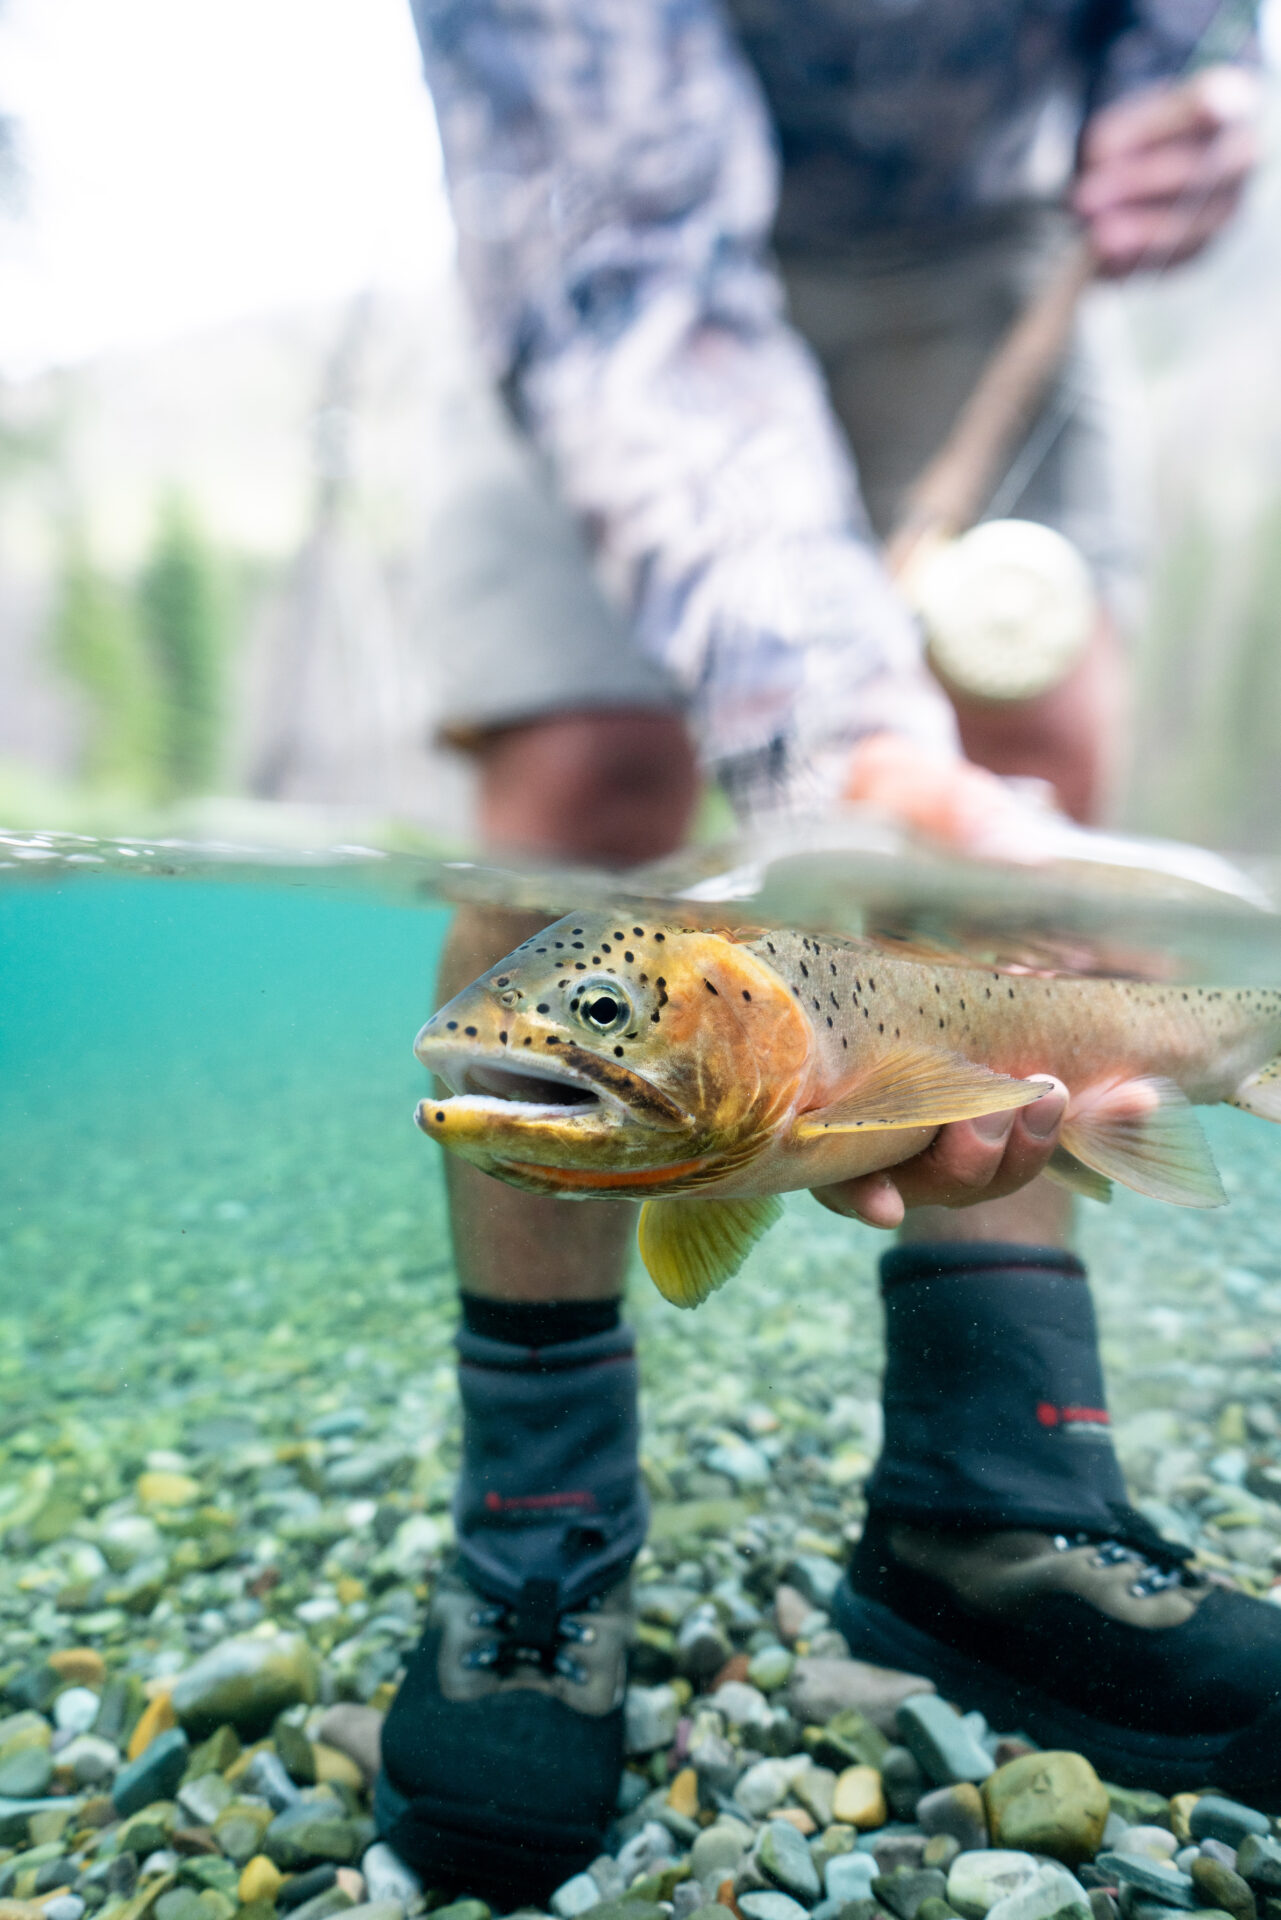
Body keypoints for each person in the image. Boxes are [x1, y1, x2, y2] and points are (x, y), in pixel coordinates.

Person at [372, 0, 1276, 1897]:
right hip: (606, 274)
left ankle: (998, 1499)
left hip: (981, 249)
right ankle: (538, 1524)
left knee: (1012, 791)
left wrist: (1192, 82)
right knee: (585, 795)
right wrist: (825, 724)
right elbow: (620, 261)